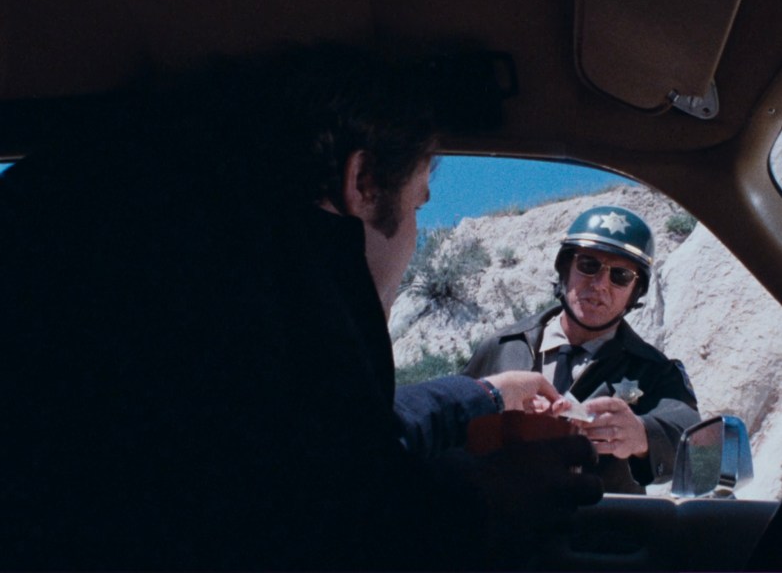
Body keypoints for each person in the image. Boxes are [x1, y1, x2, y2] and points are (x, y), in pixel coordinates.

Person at [0, 42, 600, 570]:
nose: (415, 236)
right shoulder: (252, 301)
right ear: (363, 181)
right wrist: (485, 504)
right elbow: (312, 529)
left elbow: (324, 448)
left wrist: (486, 394)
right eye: (418, 205)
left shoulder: (139, 254)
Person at [464, 206, 700, 494]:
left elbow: (697, 444)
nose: (600, 284)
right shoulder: (501, 348)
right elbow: (449, 424)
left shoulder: (653, 369)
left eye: (621, 275)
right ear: (565, 269)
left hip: (602, 520)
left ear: (635, 292)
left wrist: (642, 434)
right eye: (588, 265)